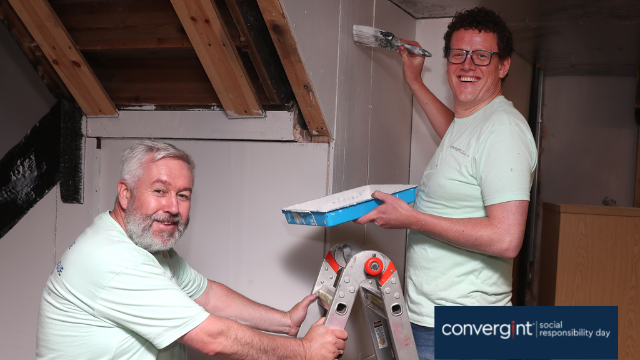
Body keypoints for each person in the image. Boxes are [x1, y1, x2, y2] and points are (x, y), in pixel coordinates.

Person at [36, 140, 347, 360]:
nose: (173, 207)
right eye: (160, 191)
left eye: (183, 195)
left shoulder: (143, 243)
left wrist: (284, 321)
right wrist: (306, 352)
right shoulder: (113, 259)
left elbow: (208, 295)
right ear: (125, 193)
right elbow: (213, 338)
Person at [355, 7, 537, 360]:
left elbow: (507, 239)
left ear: (503, 66)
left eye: (482, 56)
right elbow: (457, 136)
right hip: (436, 320)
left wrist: (412, 219)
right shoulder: (475, 122)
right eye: (458, 54)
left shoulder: (504, 131)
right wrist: (414, 81)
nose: (467, 65)